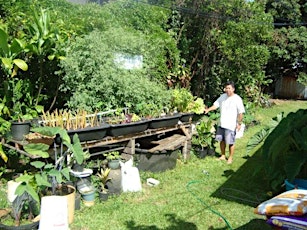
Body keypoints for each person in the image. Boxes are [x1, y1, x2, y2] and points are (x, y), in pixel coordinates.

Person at [204, 81, 245, 164]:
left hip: (231, 125)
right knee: (221, 140)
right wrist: (208, 109)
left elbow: (240, 112)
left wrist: (239, 123)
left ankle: (230, 157)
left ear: (233, 89)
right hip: (221, 123)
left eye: (229, 88)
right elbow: (216, 105)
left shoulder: (237, 99)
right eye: (226, 88)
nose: (227, 90)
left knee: (230, 142)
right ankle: (223, 155)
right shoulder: (222, 97)